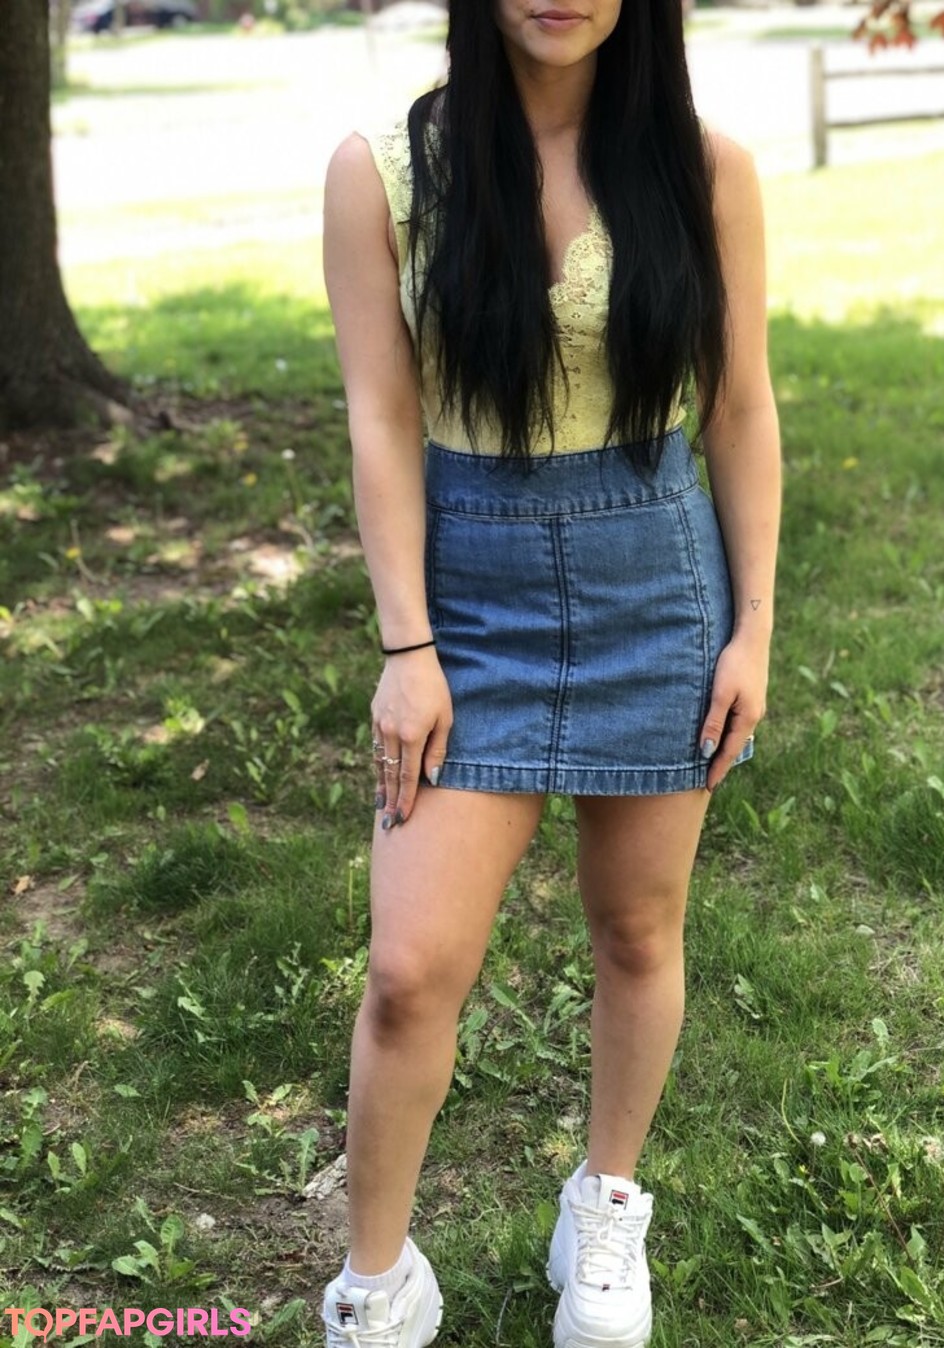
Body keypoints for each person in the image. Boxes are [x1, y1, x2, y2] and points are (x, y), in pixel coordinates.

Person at [319, 0, 781, 1340]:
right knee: (410, 970)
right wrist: (407, 644)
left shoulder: (706, 168)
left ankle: (606, 1204)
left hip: (658, 585)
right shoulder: (384, 174)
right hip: (467, 601)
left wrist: (753, 627)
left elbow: (739, 405)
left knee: (638, 929)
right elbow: (381, 415)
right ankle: (376, 1284)